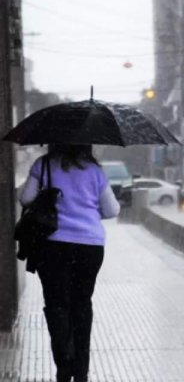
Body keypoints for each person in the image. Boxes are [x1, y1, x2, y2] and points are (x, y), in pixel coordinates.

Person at [19, 144, 120, 382]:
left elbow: (25, 199)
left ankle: (64, 365)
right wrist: (88, 212)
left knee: (57, 306)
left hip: (53, 245)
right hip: (90, 246)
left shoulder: (43, 165)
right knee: (82, 304)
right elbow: (112, 209)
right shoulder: (95, 171)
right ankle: (81, 371)